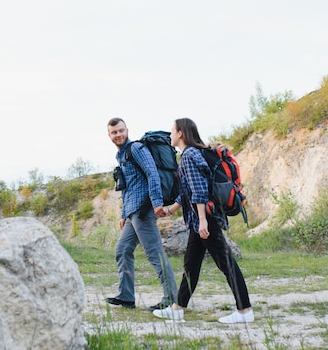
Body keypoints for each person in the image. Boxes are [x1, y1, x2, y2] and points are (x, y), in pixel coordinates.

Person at [152, 117, 253, 324]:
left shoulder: (189, 155)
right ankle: (178, 308)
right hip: (200, 219)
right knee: (191, 265)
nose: (170, 135)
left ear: (180, 133)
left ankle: (245, 311)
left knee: (227, 264)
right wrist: (171, 210)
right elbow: (188, 192)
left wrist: (202, 221)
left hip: (205, 219)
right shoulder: (193, 154)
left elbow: (199, 191)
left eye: (172, 131)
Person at [105, 117, 177, 311]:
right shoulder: (121, 156)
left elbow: (152, 173)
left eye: (121, 131)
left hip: (144, 209)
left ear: (127, 130)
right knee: (122, 250)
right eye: (114, 132)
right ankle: (126, 296)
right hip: (132, 211)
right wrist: (123, 214)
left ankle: (172, 298)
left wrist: (156, 203)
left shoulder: (136, 149)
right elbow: (127, 188)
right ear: (109, 135)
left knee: (155, 252)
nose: (118, 135)